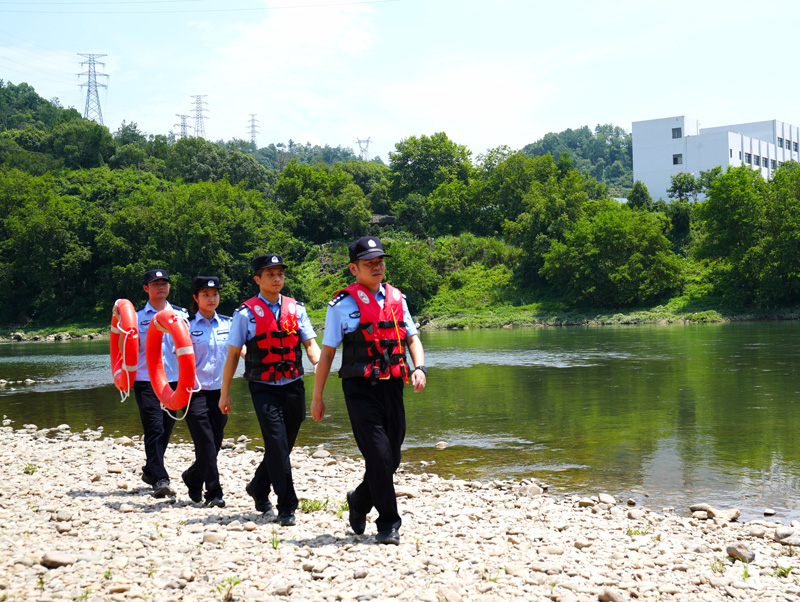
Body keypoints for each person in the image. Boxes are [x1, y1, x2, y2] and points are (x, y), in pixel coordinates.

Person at [311, 236, 427, 545]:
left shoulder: (396, 299)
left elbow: (412, 338)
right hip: (359, 387)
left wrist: (420, 368)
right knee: (378, 454)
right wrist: (318, 396)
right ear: (354, 268)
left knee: (393, 457)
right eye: (369, 263)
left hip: (392, 384)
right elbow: (327, 354)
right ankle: (388, 523)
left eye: (380, 262)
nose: (377, 267)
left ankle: (360, 499)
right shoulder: (341, 306)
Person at [219, 253, 320, 526]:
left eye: (280, 274)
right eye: (270, 274)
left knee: (282, 447)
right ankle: (287, 505)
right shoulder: (245, 314)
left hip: (293, 384)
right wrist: (224, 393)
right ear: (257, 279)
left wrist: (321, 364)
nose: (277, 278)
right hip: (263, 387)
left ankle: (258, 486)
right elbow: (232, 356)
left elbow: (310, 345)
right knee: (276, 443)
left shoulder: (296, 309)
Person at [131, 269, 189, 498]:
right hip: (146, 380)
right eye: (155, 284)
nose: (161, 287)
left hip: (174, 379)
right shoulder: (135, 317)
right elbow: (126, 350)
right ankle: (160, 478)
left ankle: (149, 470)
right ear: (146, 288)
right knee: (154, 428)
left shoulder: (181, 315)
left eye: (164, 283)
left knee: (166, 428)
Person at [181, 276, 231, 508]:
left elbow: (237, 352)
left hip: (221, 391)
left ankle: (193, 476)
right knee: (206, 442)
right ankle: (214, 492)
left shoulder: (228, 325)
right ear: (196, 298)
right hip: (195, 392)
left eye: (215, 294)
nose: (211, 299)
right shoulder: (186, 327)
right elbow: (174, 359)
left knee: (216, 441)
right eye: (205, 295)